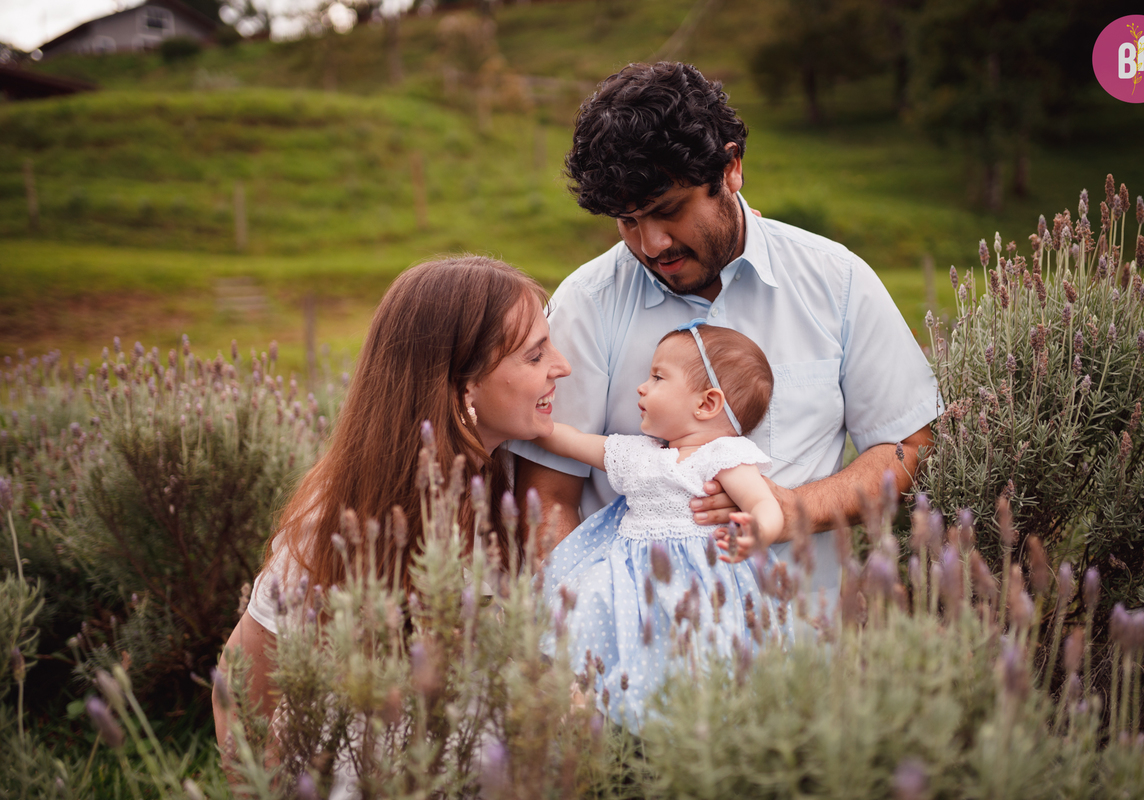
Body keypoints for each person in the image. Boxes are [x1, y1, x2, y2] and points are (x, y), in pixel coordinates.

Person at [509, 62, 939, 602]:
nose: (652, 244)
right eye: (628, 222)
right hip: (628, 662)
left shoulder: (836, 280)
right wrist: (584, 634)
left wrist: (792, 509)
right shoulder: (585, 304)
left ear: (731, 168)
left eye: (668, 210)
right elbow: (547, 496)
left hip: (804, 652)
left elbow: (906, 446)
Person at [212, 256, 571, 783]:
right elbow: (242, 683)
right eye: (535, 354)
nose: (560, 366)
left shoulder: (522, 491)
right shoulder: (341, 521)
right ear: (463, 387)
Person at [534, 319, 790, 727]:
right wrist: (527, 425)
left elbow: (763, 501)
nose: (642, 387)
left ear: (707, 404)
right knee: (590, 608)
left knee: (700, 654)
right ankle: (585, 701)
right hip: (626, 579)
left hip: (700, 583)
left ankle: (689, 722)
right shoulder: (637, 453)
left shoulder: (722, 456)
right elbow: (571, 440)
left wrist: (759, 533)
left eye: (657, 377)